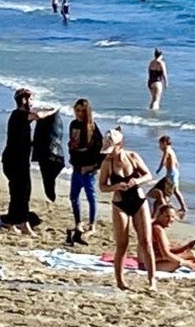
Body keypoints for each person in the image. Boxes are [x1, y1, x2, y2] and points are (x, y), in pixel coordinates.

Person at [97, 127, 156, 291]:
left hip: (138, 200)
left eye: (111, 149)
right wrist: (116, 186)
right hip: (120, 203)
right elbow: (102, 186)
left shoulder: (132, 157)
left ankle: (152, 281)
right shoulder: (107, 164)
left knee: (146, 241)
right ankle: (120, 280)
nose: (109, 153)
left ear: (119, 145)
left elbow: (148, 175)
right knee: (122, 244)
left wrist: (135, 182)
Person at [0, 88, 54, 234]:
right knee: (21, 192)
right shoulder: (19, 115)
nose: (32, 102)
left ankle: (13, 221)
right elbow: (39, 115)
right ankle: (21, 223)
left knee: (20, 192)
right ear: (24, 100)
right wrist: (54, 109)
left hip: (19, 161)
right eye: (30, 99)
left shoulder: (21, 116)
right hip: (14, 161)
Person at [67, 98, 103, 245]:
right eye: (77, 110)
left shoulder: (92, 127)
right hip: (76, 166)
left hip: (88, 169)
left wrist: (94, 166)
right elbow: (73, 144)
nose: (79, 114)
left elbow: (101, 149)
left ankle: (92, 224)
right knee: (73, 196)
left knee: (90, 196)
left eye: (82, 111)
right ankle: (78, 222)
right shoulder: (73, 124)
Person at [148, 135, 188, 217]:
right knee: (176, 191)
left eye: (160, 144)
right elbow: (177, 163)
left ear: (165, 143)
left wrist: (159, 169)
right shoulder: (172, 151)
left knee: (167, 192)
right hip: (175, 172)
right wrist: (175, 172)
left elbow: (163, 160)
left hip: (171, 174)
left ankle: (166, 208)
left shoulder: (167, 150)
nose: (159, 147)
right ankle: (183, 207)